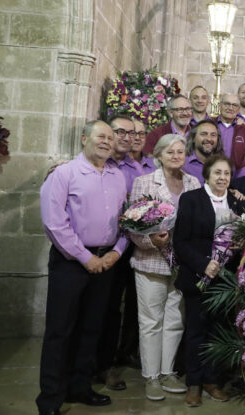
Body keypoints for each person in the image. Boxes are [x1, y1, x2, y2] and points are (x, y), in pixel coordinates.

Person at [37, 120, 128, 414]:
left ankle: (80, 386)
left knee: (92, 329)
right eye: (101, 136)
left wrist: (116, 252)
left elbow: (126, 221)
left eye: (111, 138)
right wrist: (84, 257)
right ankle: (51, 397)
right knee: (60, 331)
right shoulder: (64, 174)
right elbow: (54, 222)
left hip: (106, 262)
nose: (106, 142)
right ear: (84, 138)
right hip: (71, 263)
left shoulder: (117, 176)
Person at [129, 134, 200, 401]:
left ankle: (168, 371)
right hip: (152, 261)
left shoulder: (193, 183)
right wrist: (151, 240)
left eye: (181, 151)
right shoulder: (144, 182)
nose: (176, 156)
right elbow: (131, 225)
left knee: (175, 320)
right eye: (170, 151)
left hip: (182, 264)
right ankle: (151, 377)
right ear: (158, 154)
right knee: (150, 322)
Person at [173, 154, 244, 407]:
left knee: (217, 331)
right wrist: (204, 264)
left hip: (225, 281)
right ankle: (194, 383)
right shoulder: (191, 199)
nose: (222, 178)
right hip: (198, 276)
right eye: (217, 173)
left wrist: (238, 244)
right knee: (196, 332)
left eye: (226, 173)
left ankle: (212, 380)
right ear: (207, 175)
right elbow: (179, 242)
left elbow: (242, 237)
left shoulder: (236, 203)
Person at [96, 114, 142, 391]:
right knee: (99, 309)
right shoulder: (99, 163)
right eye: (120, 132)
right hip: (99, 248)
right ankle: (91, 363)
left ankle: (110, 360)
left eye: (131, 133)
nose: (126, 137)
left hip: (126, 246)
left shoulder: (136, 169)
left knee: (121, 308)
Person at [217, 93, 245, 177]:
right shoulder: (210, 125)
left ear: (238, 109)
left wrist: (239, 182)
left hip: (236, 178)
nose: (230, 108)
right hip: (211, 176)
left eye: (234, 105)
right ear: (220, 106)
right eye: (227, 104)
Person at [184, 120, 222, 186]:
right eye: (204, 134)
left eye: (213, 135)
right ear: (193, 138)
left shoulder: (222, 163)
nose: (209, 139)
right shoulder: (182, 163)